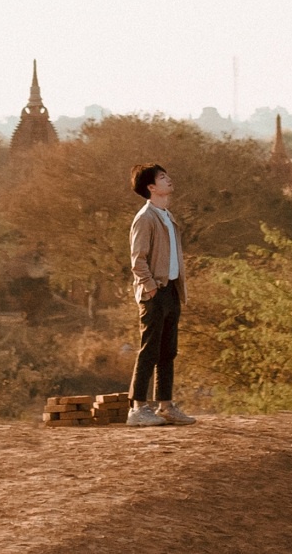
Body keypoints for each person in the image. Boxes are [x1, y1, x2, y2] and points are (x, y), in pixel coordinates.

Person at [125, 162, 195, 426]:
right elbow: (137, 260)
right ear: (151, 187)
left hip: (172, 291)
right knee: (149, 350)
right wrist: (152, 288)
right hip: (154, 293)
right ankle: (137, 408)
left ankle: (165, 406)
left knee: (168, 351)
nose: (169, 180)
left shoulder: (167, 216)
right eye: (163, 178)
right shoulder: (145, 218)